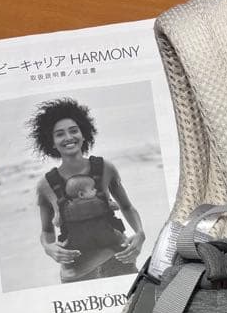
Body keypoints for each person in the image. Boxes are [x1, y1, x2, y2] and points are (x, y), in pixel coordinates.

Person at [28, 98, 145, 283]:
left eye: (74, 130)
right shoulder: (45, 185)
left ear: (84, 134)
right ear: (52, 142)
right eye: (59, 134)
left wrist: (140, 234)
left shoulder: (106, 168)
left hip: (119, 262)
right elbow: (47, 230)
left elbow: (127, 207)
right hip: (76, 274)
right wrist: (48, 248)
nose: (68, 137)